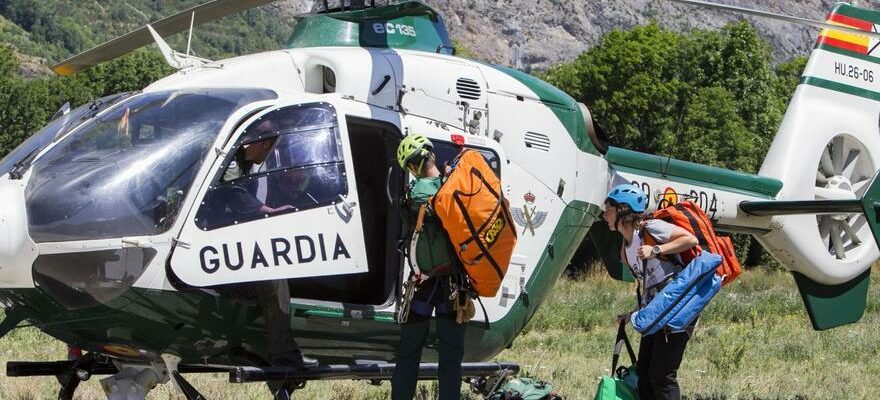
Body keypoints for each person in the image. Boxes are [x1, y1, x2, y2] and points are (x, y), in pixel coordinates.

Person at [218, 120, 317, 399]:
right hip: (216, 250)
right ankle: (283, 359)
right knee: (272, 275)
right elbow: (230, 191)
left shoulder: (245, 163)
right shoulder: (234, 160)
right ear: (264, 144)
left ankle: (279, 353)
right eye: (271, 149)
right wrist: (264, 210)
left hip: (227, 243)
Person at [604, 184, 698, 400]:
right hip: (656, 311)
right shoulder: (625, 249)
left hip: (678, 307)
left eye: (608, 209)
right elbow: (650, 286)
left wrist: (656, 249)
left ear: (622, 210)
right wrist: (632, 313)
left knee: (662, 375)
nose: (604, 215)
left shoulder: (650, 228)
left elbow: (689, 239)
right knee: (644, 374)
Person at [392, 134, 468, 400]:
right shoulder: (454, 186)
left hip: (422, 285)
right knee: (450, 359)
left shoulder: (415, 193)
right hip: (453, 286)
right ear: (432, 155)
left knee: (409, 354)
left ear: (411, 167)